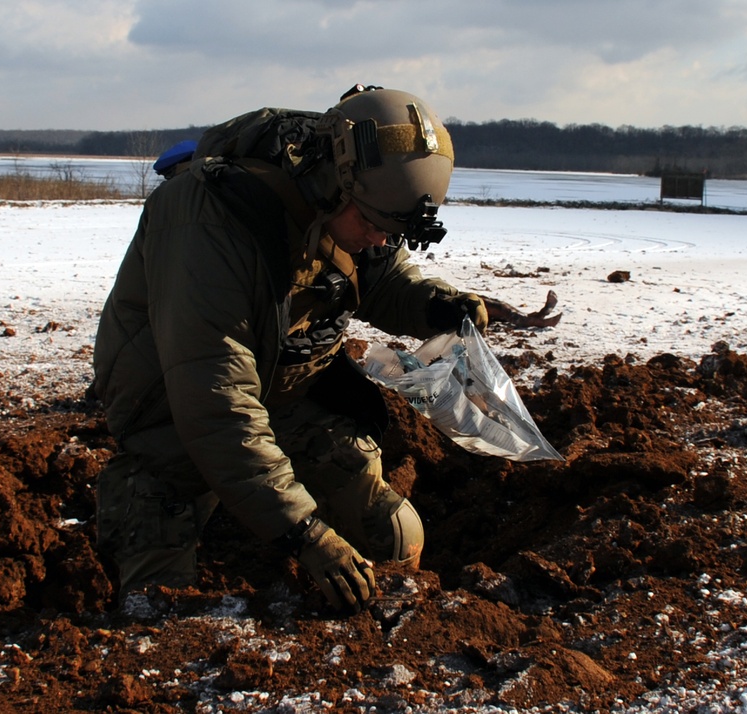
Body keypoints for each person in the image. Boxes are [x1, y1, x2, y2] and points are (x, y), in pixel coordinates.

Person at [92, 85, 488, 613]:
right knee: (158, 609)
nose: (376, 240)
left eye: (389, 233)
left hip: (281, 395)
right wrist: (305, 534)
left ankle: (256, 497)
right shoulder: (209, 222)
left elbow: (381, 274)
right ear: (335, 183)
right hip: (172, 412)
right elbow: (218, 406)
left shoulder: (354, 201)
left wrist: (435, 305)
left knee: (395, 536)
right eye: (372, 225)